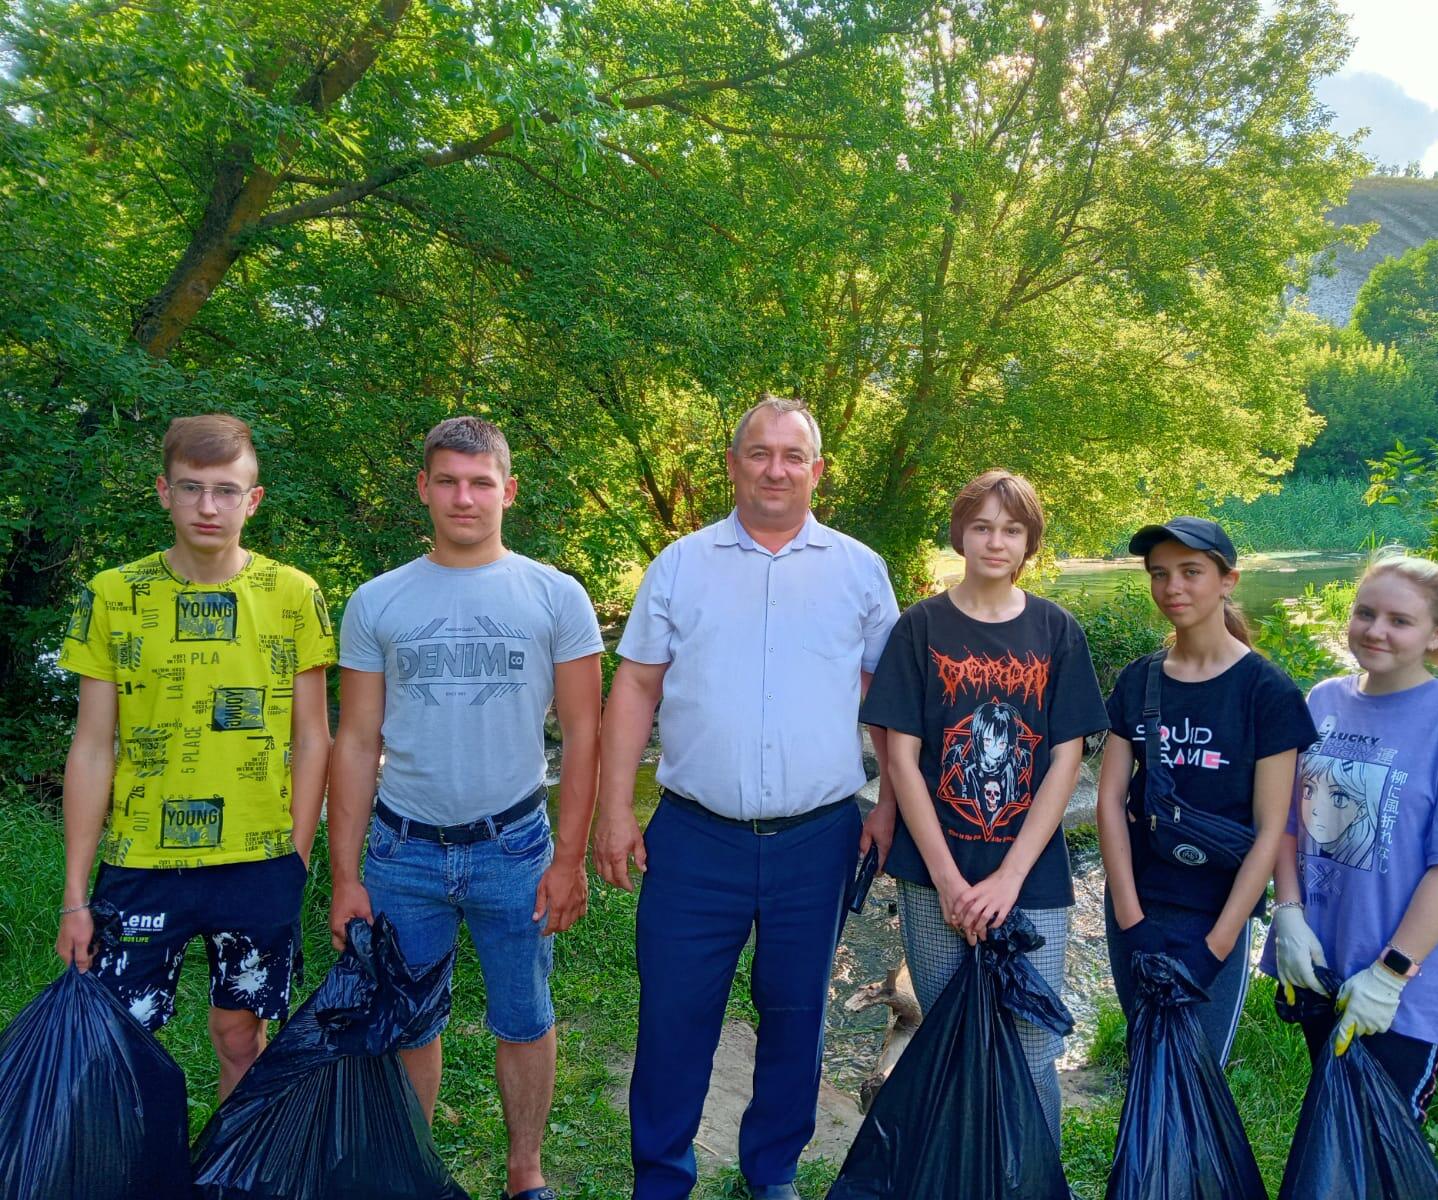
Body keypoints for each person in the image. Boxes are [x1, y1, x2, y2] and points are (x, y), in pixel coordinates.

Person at [593, 395, 899, 1200]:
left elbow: (890, 705)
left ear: (817, 471)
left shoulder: (859, 570)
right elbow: (634, 688)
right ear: (732, 465)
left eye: (792, 455)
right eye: (758, 453)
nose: (775, 468)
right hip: (696, 840)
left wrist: (890, 804)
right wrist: (615, 809)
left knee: (798, 1017)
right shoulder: (682, 565)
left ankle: (773, 1174)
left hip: (818, 837)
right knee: (672, 1018)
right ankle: (661, 1178)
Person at [326, 416, 603, 1200]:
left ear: (508, 491)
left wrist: (571, 857)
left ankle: (526, 1175)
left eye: (481, 482)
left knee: (524, 1012)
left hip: (513, 847)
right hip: (402, 850)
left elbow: (586, 733)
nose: (464, 497)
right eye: (447, 480)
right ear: (423, 488)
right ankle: (413, 1172)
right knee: (411, 1021)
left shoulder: (555, 596)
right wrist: (345, 876)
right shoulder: (379, 602)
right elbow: (354, 742)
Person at [55, 413, 334, 1098]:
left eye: (226, 490)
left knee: (242, 1036)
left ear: (254, 498)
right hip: (141, 861)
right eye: (191, 488)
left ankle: (233, 1175)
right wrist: (73, 894)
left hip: (256, 862)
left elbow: (314, 739)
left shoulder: (295, 596)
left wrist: (295, 855)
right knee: (122, 1037)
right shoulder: (113, 596)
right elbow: (92, 749)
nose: (208, 506)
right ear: (163, 491)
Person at [860, 469, 1107, 1133]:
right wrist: (948, 881)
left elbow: (1066, 757)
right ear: (960, 534)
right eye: (982, 527)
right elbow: (902, 760)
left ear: (1030, 542)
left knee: (1031, 1049)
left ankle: (1033, 1178)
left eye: (1012, 529)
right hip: (933, 871)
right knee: (950, 1039)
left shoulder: (1057, 630)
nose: (996, 542)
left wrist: (1007, 879)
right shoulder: (922, 629)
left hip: (1031, 876)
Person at [1263, 549, 1438, 1122]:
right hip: (1322, 963)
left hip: (1398, 992)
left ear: (1437, 634)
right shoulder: (1323, 700)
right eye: (1365, 613)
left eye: (1400, 621)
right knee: (1333, 1130)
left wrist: (1391, 972)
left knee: (1381, 1149)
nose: (1375, 631)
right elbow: (1286, 821)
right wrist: (1290, 914)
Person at [1096, 516, 1317, 1065]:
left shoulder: (1267, 692)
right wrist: (1132, 921)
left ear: (1228, 581)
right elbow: (1109, 800)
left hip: (1216, 913)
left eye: (1191, 572)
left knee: (1198, 1078)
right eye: (1160, 573)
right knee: (1144, 1061)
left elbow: (1271, 828)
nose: (1173, 588)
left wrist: (1215, 947)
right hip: (1137, 907)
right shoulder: (1138, 680)